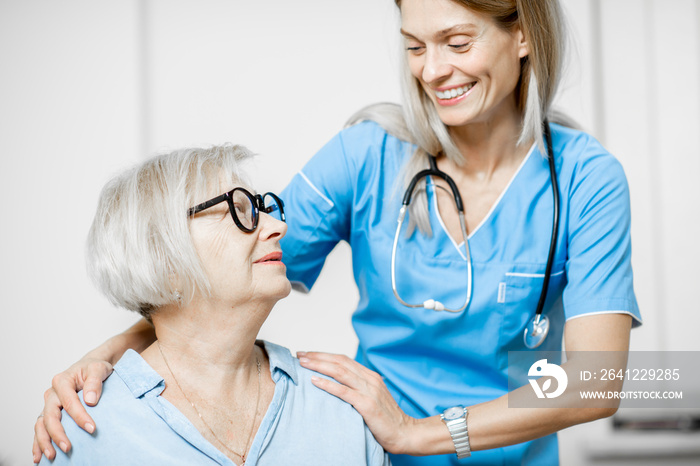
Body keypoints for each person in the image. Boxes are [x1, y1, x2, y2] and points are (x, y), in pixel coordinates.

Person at [34, 0, 641, 464]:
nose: (433, 70)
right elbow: (219, 276)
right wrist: (105, 357)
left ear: (524, 34)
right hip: (368, 454)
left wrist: (420, 432)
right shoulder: (366, 156)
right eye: (413, 46)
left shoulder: (587, 181)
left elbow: (596, 382)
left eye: (457, 41)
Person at [35, 144, 389, 465]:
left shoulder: (345, 410)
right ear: (164, 257)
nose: (278, 226)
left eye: (263, 209)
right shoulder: (81, 432)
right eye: (239, 210)